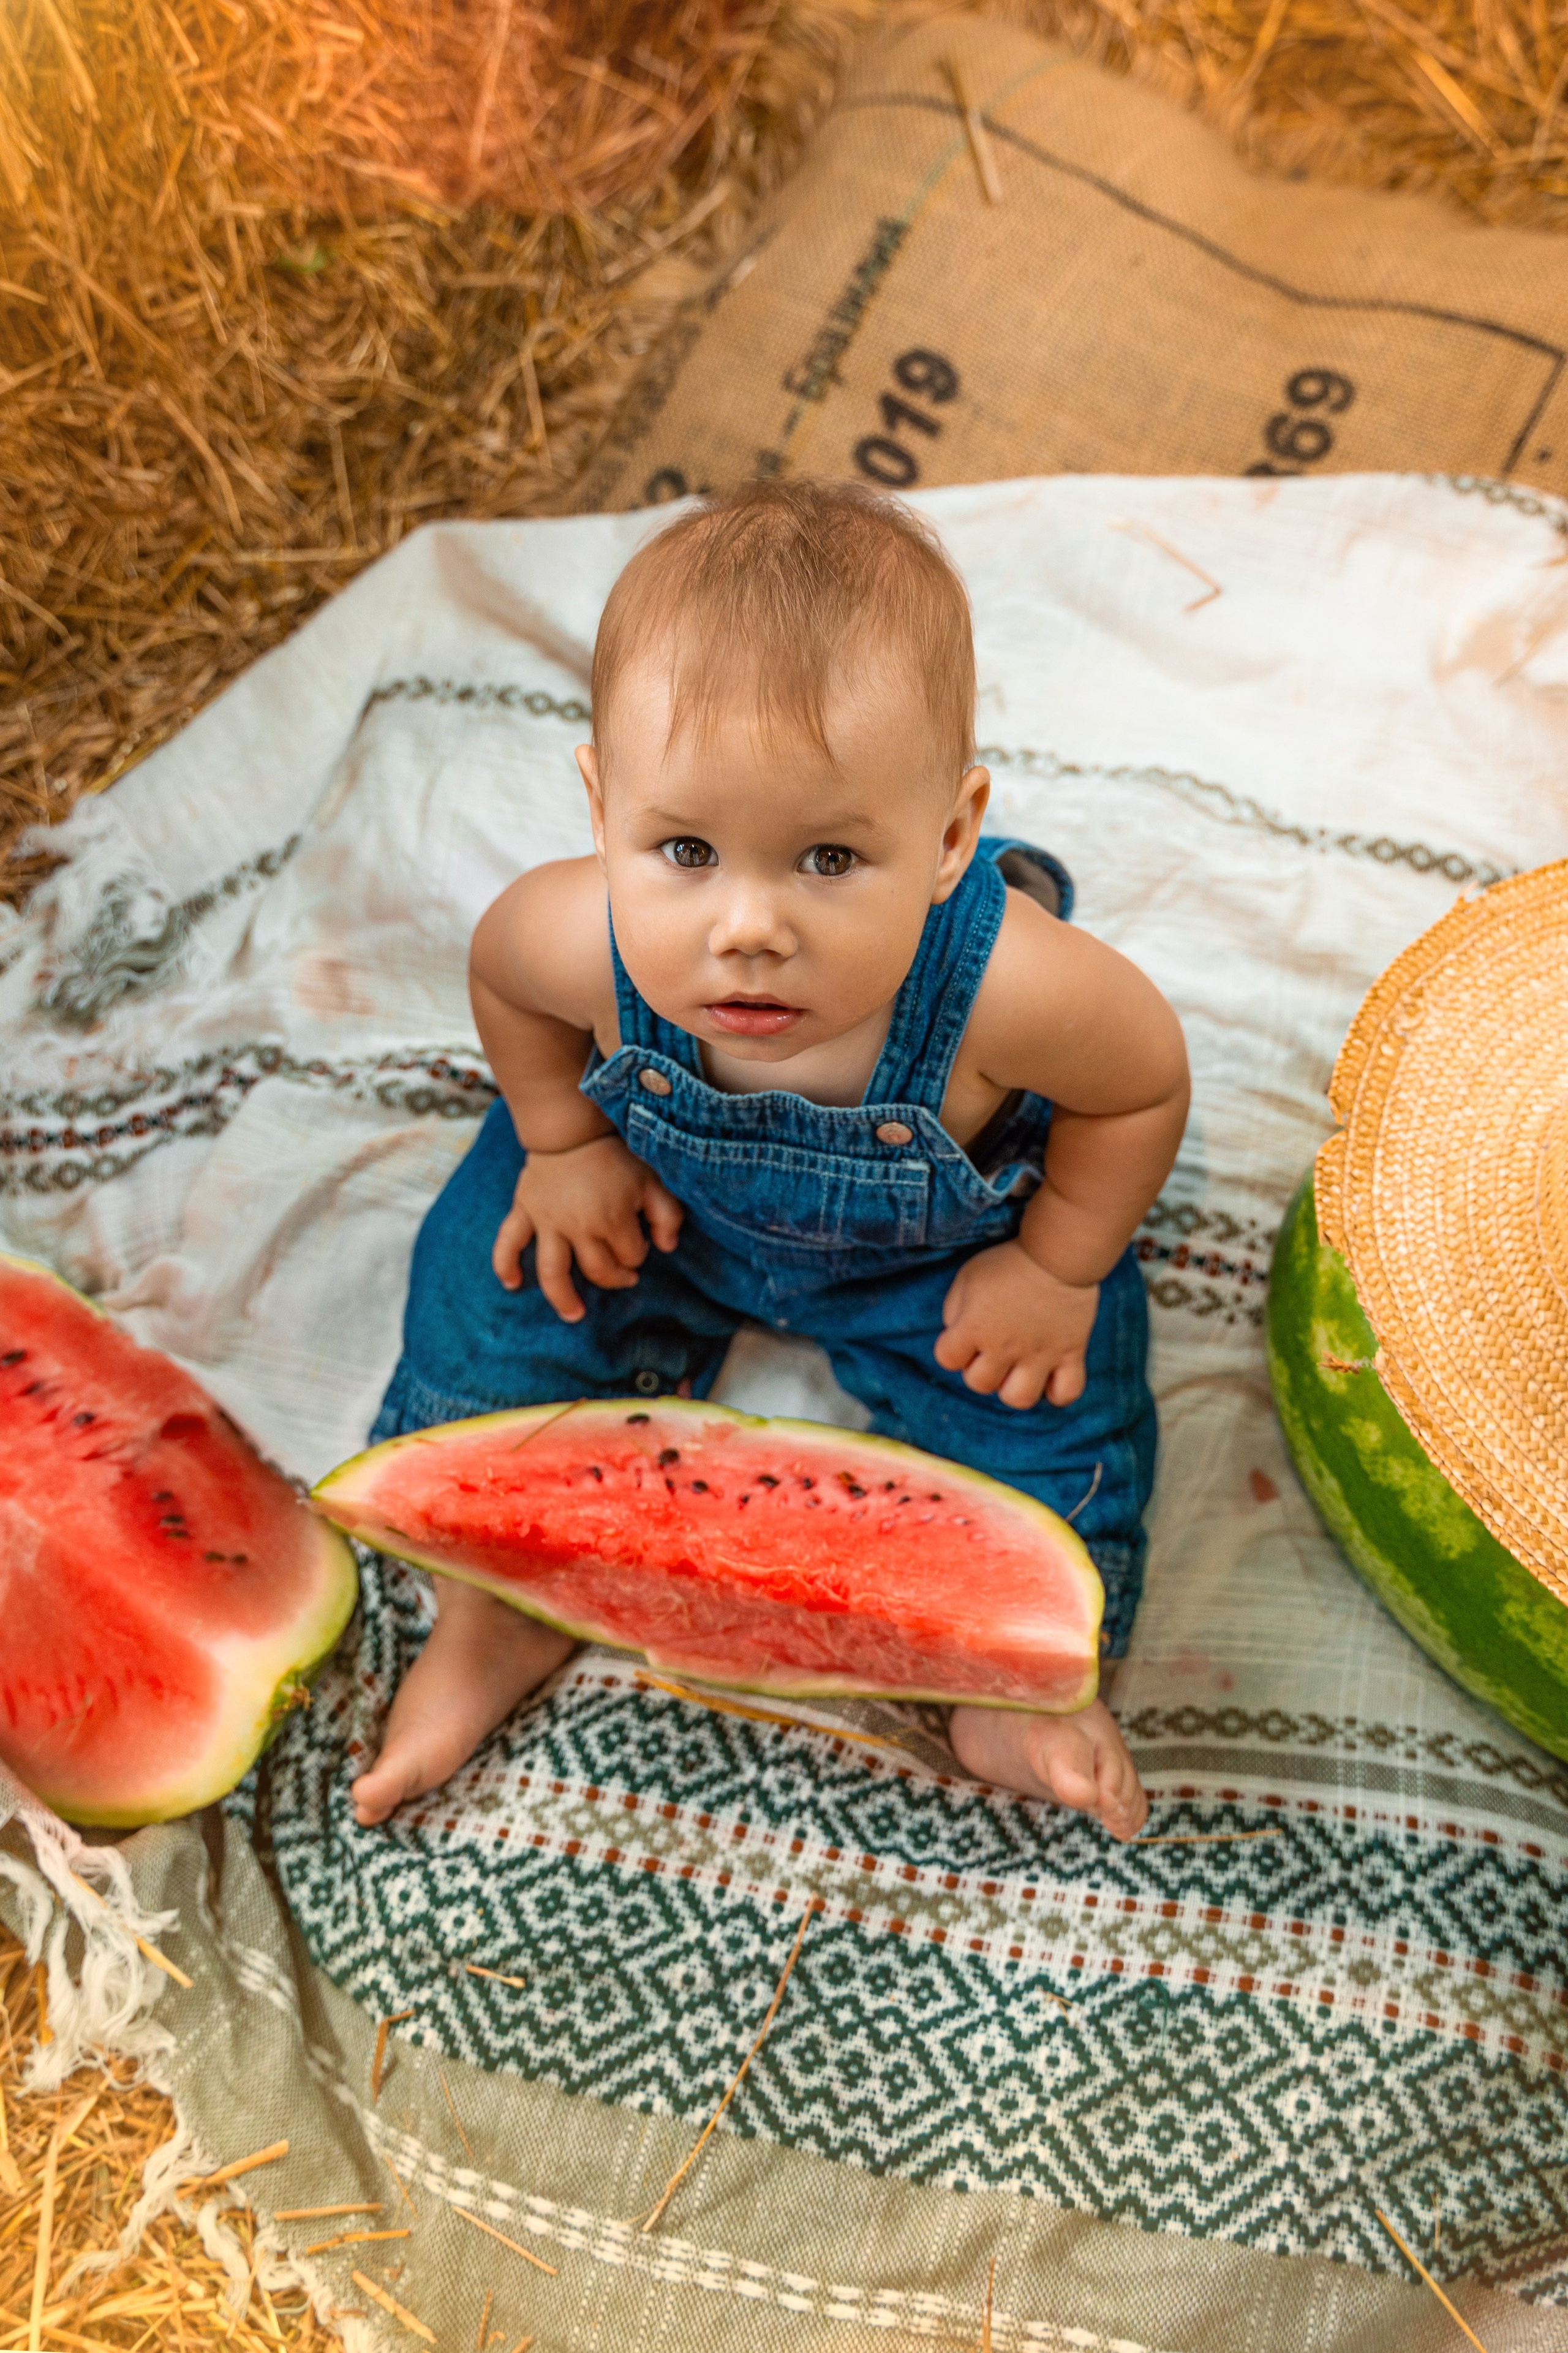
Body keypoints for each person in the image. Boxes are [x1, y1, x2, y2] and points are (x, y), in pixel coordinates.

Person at [351, 479, 1189, 1838]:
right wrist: (564, 1140)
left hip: (940, 1266)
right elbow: (504, 980)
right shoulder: (572, 937)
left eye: (828, 857)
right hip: (656, 1203)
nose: (747, 927)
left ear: (950, 837)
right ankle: (497, 1601)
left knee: (1055, 1421)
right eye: (684, 848)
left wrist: (1057, 1264)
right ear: (600, 805)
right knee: (494, 1300)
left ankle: (1015, 1677)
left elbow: (1142, 1087)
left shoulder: (1014, 992)